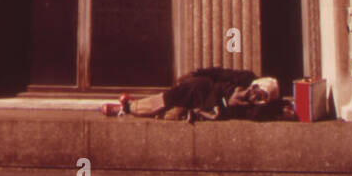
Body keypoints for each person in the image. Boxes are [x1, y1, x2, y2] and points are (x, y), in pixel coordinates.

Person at [101, 67, 292, 122]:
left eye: (262, 98)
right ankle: (128, 107)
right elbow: (219, 73)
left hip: (208, 108)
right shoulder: (245, 78)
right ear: (255, 85)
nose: (255, 97)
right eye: (258, 92)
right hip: (203, 89)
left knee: (172, 114)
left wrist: (282, 107)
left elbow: (269, 111)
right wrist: (196, 74)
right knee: (172, 97)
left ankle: (130, 107)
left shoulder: (254, 111)